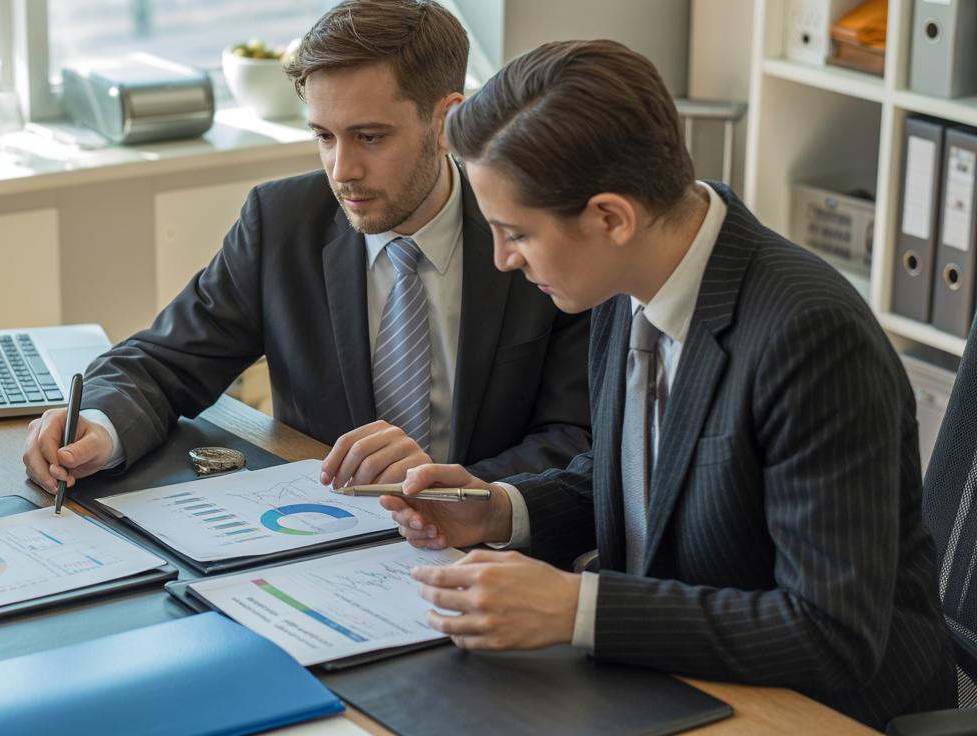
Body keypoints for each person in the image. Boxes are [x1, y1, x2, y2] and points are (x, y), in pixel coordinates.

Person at [386, 39, 954, 729]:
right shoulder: (619, 283)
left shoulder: (810, 337)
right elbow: (651, 477)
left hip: (817, 712)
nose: (504, 259)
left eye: (516, 233)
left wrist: (578, 608)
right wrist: (502, 510)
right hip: (668, 681)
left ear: (610, 217)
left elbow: (832, 634)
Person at [22, 0, 591, 494]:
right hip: (320, 538)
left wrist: (462, 495)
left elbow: (577, 436)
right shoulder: (282, 222)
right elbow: (162, 361)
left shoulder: (532, 237)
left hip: (489, 559)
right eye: (324, 136)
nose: (342, 171)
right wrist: (98, 426)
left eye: (370, 137)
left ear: (447, 121)